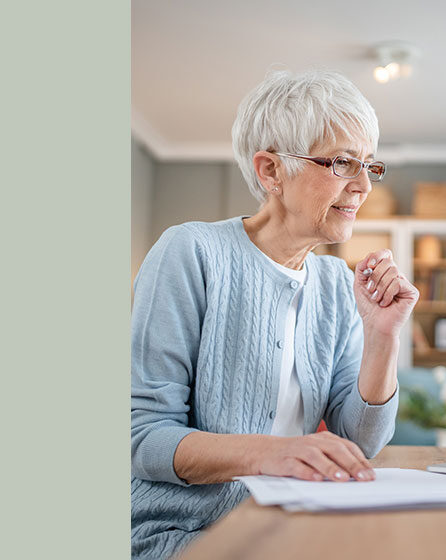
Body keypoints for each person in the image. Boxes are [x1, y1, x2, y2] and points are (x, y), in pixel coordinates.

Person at [130, 69, 419, 560]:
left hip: (293, 530)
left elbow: (361, 441)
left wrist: (382, 335)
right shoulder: (190, 252)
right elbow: (143, 438)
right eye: (343, 162)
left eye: (369, 166)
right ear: (271, 172)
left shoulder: (333, 284)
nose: (363, 186)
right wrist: (273, 453)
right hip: (182, 535)